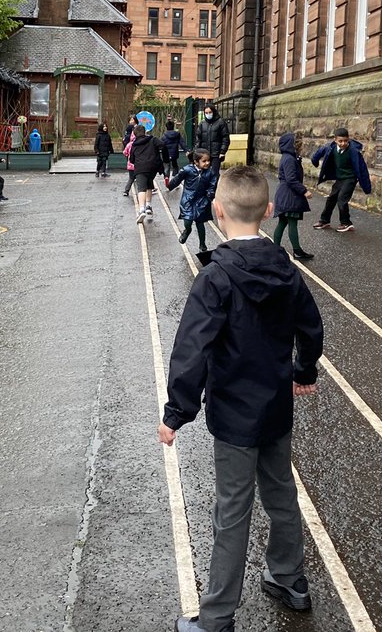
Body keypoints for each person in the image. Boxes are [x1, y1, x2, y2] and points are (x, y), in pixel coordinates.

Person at [159, 165, 324, 632]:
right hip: (275, 406)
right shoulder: (286, 270)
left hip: (234, 413)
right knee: (281, 493)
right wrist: (303, 369)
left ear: (216, 211)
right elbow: (310, 327)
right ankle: (290, 578)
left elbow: (192, 349)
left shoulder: (214, 278)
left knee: (232, 511)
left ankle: (215, 618)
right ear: (270, 212)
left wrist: (177, 412)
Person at [310, 126, 373, 233]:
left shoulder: (354, 151)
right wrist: (315, 161)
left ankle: (346, 223)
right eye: (340, 141)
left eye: (345, 141)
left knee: (342, 199)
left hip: (350, 179)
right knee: (331, 198)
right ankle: (324, 220)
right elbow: (318, 153)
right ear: (335, 140)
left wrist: (367, 187)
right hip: (340, 179)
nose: (343, 143)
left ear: (348, 139)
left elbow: (363, 169)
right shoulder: (331, 148)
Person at [273, 131, 314, 260]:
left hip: (286, 194)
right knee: (292, 223)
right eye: (298, 143)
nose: (300, 145)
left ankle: (275, 249)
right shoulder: (289, 159)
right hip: (290, 195)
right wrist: (304, 191)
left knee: (283, 222)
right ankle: (297, 251)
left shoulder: (288, 157)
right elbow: (291, 179)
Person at [166, 148, 217, 253]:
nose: (207, 163)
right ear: (196, 162)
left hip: (202, 200)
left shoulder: (210, 172)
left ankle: (202, 244)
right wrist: (170, 185)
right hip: (188, 200)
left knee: (200, 223)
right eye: (204, 161)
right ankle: (187, 231)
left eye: (208, 161)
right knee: (188, 220)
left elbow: (213, 184)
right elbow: (178, 178)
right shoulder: (187, 170)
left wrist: (210, 195)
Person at [128, 122, 163, 224]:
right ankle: (148, 206)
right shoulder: (153, 140)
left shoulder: (134, 145)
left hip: (140, 168)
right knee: (149, 185)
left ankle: (141, 209)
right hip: (152, 168)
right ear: (145, 132)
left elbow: (132, 159)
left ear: (135, 134)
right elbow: (163, 145)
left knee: (141, 188)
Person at [196, 104, 231, 175]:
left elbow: (225, 138)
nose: (208, 114)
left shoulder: (220, 122)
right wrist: (197, 151)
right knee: (204, 173)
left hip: (216, 153)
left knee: (214, 173)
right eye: (206, 113)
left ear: (213, 112)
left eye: (210, 112)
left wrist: (222, 151)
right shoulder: (202, 124)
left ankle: (214, 186)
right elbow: (198, 139)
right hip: (204, 153)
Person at [160, 119, 186, 183]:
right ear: (173, 126)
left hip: (165, 154)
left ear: (166, 127)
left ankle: (166, 177)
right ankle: (175, 177)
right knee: (175, 165)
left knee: (167, 166)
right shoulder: (177, 134)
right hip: (174, 153)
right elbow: (182, 143)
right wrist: (186, 150)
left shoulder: (164, 136)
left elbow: (160, 144)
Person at [122, 126, 138, 198]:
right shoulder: (139, 144)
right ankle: (140, 192)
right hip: (138, 165)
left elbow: (125, 152)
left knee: (131, 179)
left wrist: (128, 156)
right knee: (139, 179)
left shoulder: (129, 144)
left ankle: (126, 191)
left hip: (130, 165)